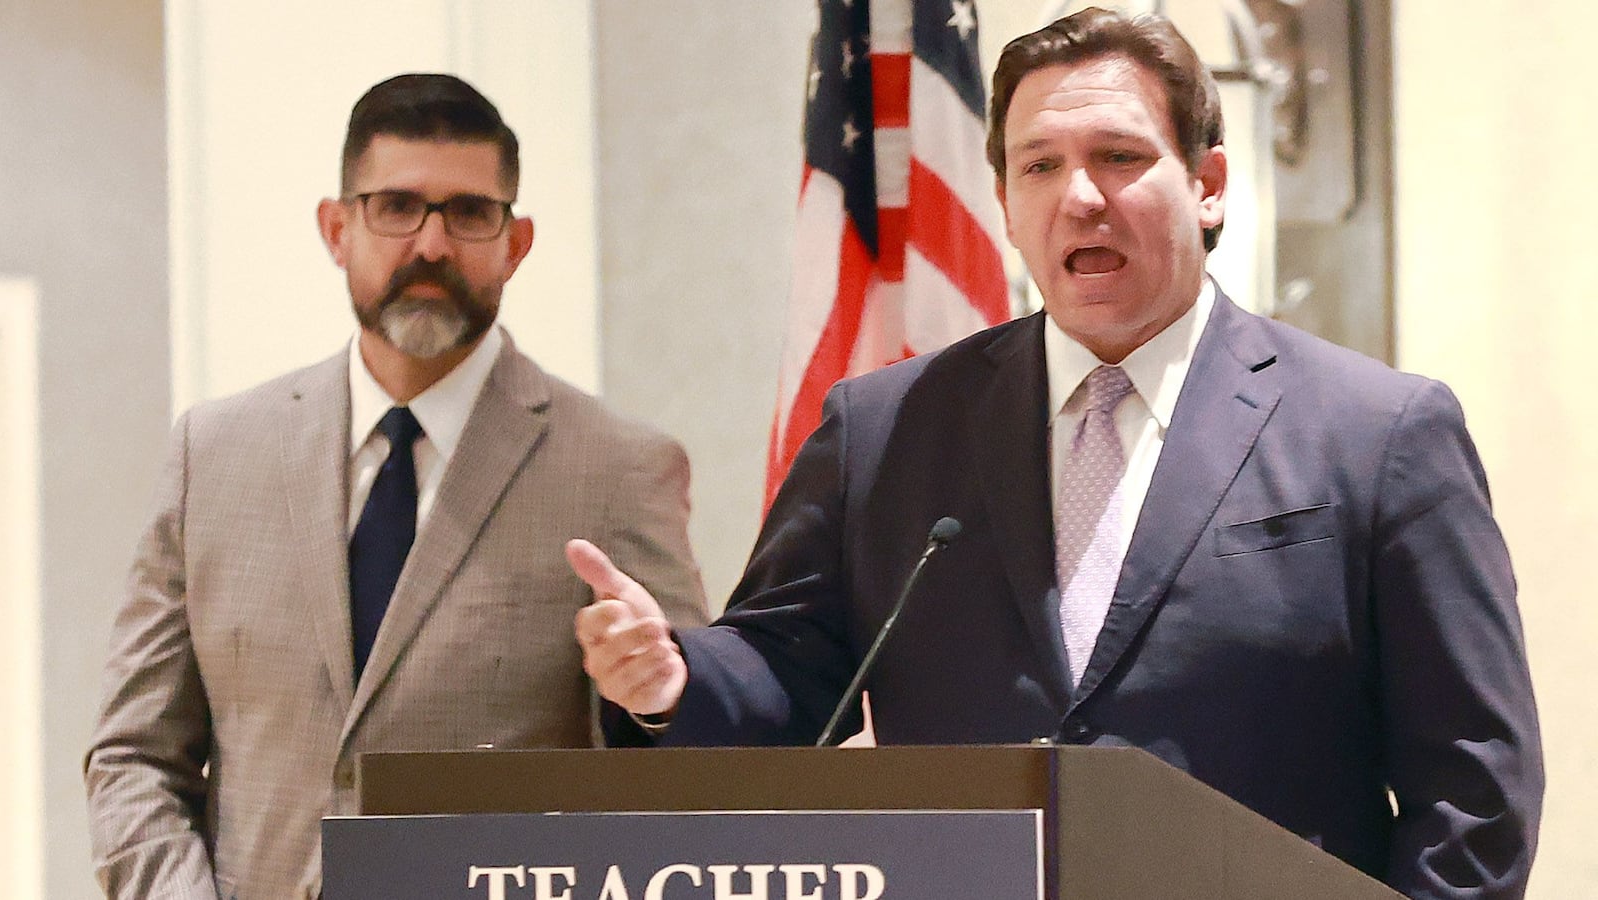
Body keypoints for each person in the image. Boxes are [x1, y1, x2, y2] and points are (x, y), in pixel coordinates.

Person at [570, 8, 1542, 898]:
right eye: (1039, 166)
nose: (1079, 197)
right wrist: (674, 682)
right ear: (999, 199)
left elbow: (1473, 793)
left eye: (1118, 156)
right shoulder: (885, 430)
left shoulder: (1378, 433)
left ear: (1205, 186)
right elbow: (789, 668)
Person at [84, 74, 708, 900]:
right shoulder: (215, 454)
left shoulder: (618, 467)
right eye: (397, 207)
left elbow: (691, 768)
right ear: (336, 229)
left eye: (470, 213)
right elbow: (134, 757)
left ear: (516, 244)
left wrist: (654, 703)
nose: (432, 245)